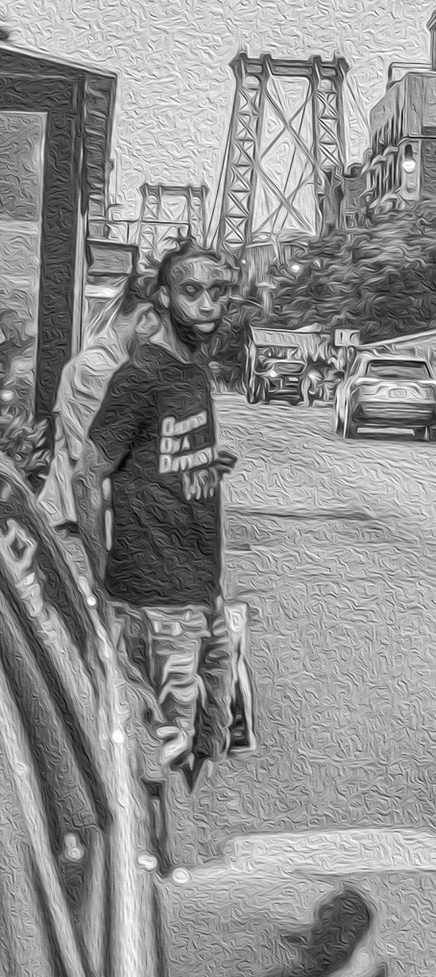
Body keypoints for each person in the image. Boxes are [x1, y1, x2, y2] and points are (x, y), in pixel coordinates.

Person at [80, 243, 239, 801]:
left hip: (202, 591)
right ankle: (157, 847)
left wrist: (205, 465)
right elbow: (89, 473)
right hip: (155, 597)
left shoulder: (193, 370)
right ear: (165, 298)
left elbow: (163, 460)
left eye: (217, 292)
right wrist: (100, 579)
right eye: (192, 291)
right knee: (165, 756)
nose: (207, 304)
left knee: (212, 740)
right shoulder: (140, 376)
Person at [38, 273, 160, 534]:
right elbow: (100, 457)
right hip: (78, 523)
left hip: (94, 516)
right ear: (145, 316)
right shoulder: (98, 369)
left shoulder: (114, 363)